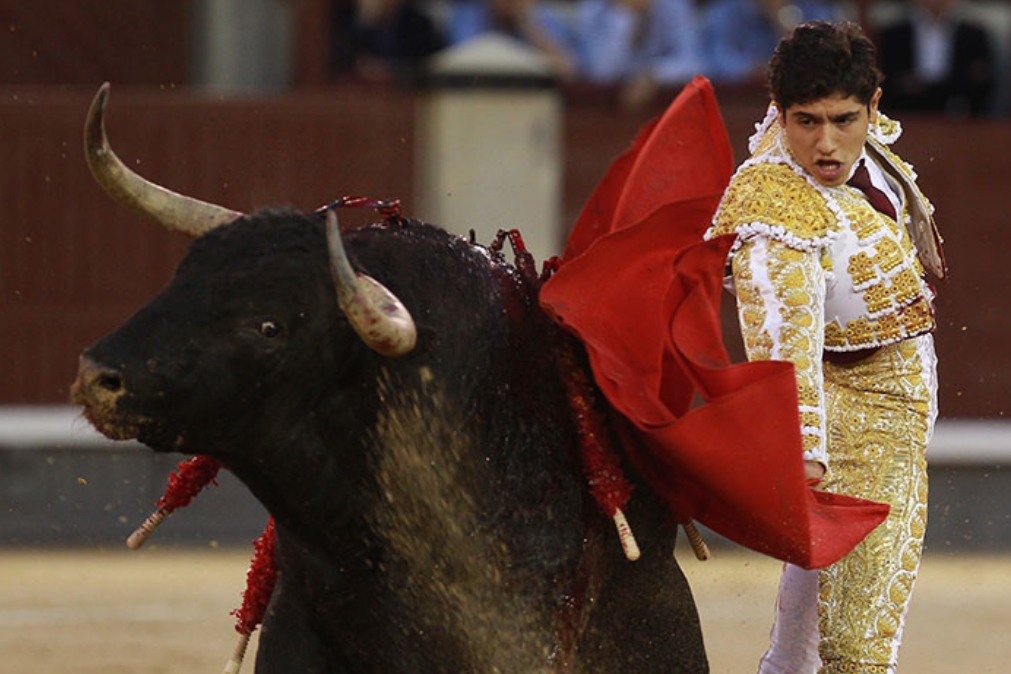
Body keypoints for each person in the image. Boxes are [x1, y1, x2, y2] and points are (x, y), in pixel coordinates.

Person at [706, 20, 945, 674]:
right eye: (804, 122)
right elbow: (782, 339)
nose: (825, 143)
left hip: (892, 389)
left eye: (842, 120)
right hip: (860, 417)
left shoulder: (868, 147)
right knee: (860, 645)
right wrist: (802, 450)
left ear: (872, 107)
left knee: (805, 630)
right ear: (779, 115)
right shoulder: (775, 207)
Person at [573, 0, 702, 108]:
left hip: (660, 110)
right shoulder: (593, 9)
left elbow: (693, 62)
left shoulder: (673, 6)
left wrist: (655, 74)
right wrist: (624, 15)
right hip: (608, 111)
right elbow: (600, 72)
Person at [877, 0, 995, 116]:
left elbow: (981, 79)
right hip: (907, 110)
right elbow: (885, 76)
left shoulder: (973, 35)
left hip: (957, 110)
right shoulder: (894, 35)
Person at [700, 0, 838, 84]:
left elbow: (825, 60)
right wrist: (753, 70)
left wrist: (782, 16)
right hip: (747, 100)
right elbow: (718, 62)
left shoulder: (813, 8)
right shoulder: (726, 12)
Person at [446, 0, 578, 80]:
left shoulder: (546, 20)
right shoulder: (466, 18)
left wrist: (526, 23)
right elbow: (460, 68)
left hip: (531, 102)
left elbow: (567, 71)